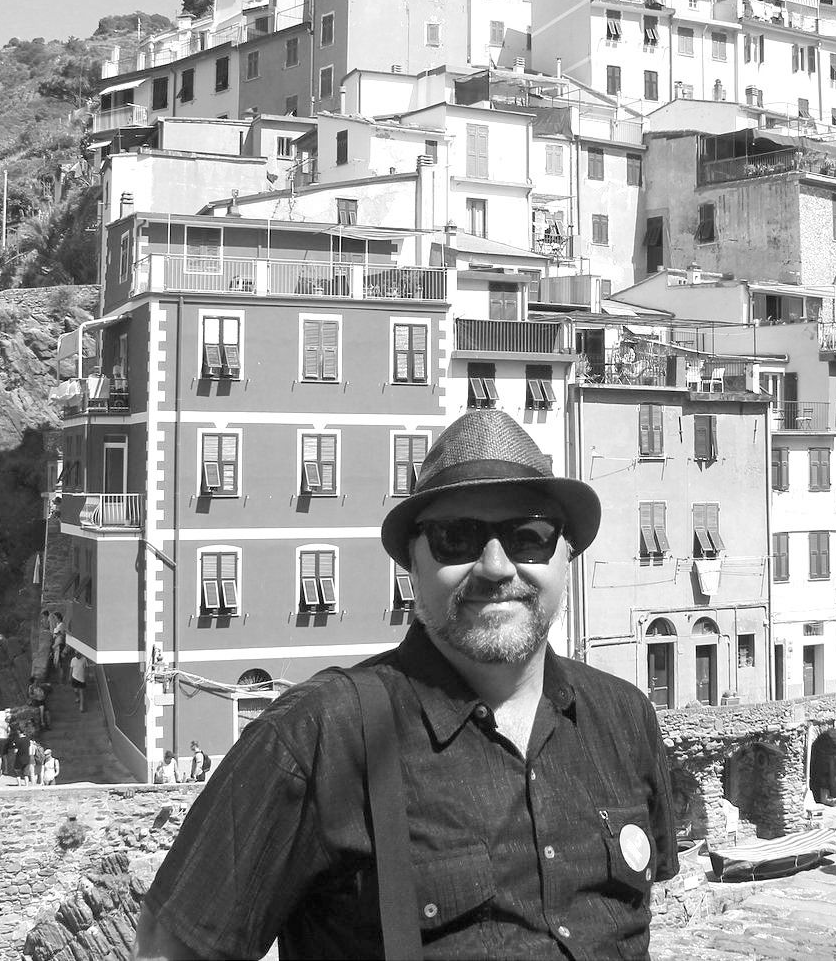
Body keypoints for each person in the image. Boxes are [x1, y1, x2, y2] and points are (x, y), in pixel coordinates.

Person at [136, 409, 678, 960]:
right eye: (456, 537)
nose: (495, 566)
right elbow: (171, 948)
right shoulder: (320, 734)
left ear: (568, 555)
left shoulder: (625, 718)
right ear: (411, 563)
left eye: (528, 536)